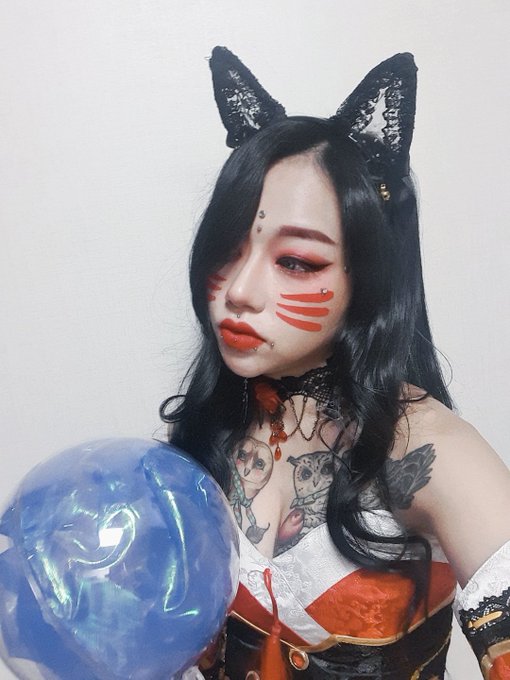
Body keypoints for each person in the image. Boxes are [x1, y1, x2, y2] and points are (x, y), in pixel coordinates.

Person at [161, 47, 510, 679]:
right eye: (226, 249)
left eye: (296, 262)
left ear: (366, 275)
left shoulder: (433, 454)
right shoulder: (211, 427)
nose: (239, 290)